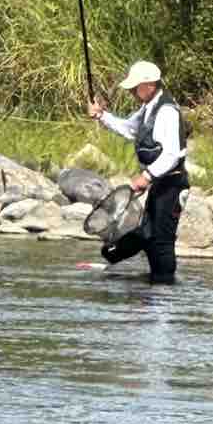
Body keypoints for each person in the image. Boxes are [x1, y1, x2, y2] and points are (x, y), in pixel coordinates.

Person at [87, 60, 188, 285]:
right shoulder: (148, 107)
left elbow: (172, 154)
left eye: (135, 87)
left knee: (162, 241)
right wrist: (102, 116)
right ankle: (153, 287)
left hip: (173, 185)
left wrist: (146, 176)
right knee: (149, 235)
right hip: (160, 185)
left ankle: (165, 291)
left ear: (150, 84)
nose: (132, 91)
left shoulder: (167, 111)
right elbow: (129, 129)